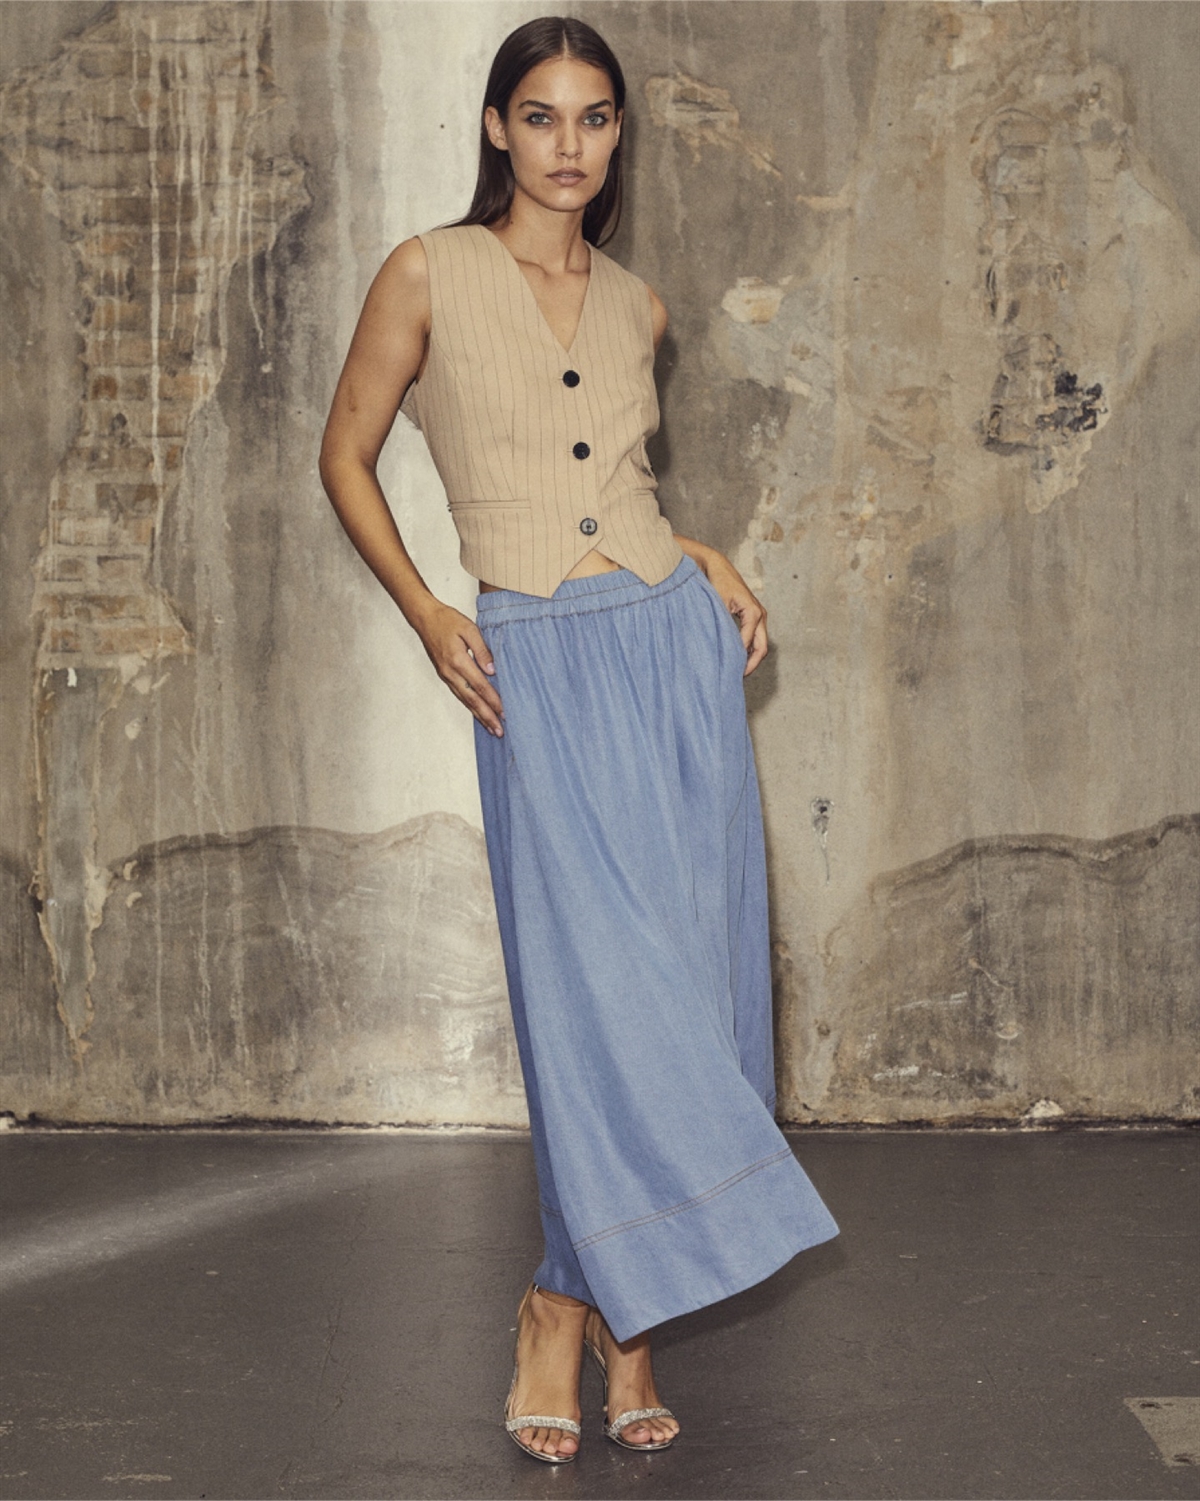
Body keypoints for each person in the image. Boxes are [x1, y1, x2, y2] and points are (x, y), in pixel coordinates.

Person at [319, 15, 838, 1464]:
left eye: (595, 118)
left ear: (618, 135)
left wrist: (706, 558)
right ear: (498, 127)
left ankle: (622, 1319)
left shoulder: (639, 306)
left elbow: (625, 483)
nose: (569, 144)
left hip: (669, 653)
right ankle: (564, 1303)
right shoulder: (426, 272)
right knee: (589, 1000)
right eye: (541, 116)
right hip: (534, 662)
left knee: (693, 983)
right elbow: (343, 453)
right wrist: (431, 611)